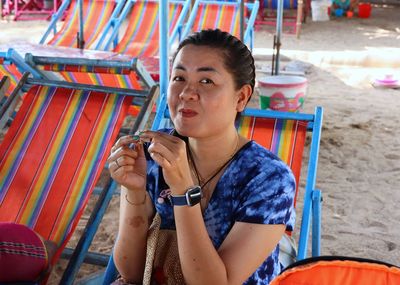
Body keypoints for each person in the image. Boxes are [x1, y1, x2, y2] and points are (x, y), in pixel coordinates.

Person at [107, 29, 296, 285]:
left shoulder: (269, 179)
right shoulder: (154, 154)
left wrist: (184, 192)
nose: (186, 93)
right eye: (179, 78)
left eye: (206, 81)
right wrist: (134, 191)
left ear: (241, 97)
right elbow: (132, 273)